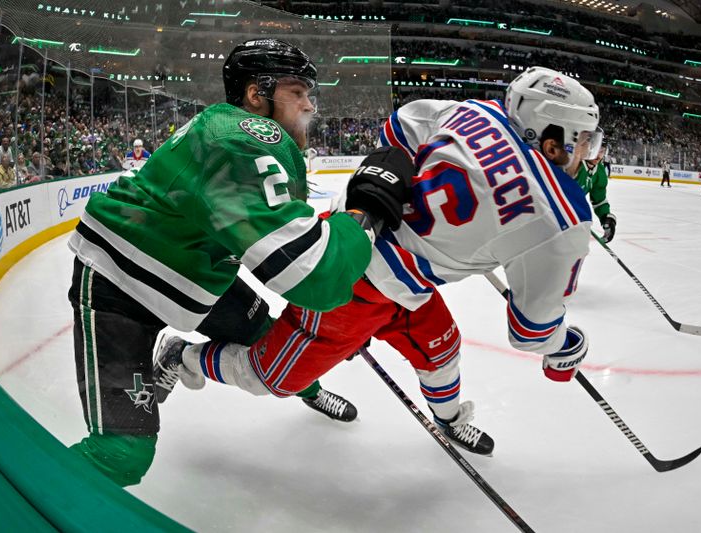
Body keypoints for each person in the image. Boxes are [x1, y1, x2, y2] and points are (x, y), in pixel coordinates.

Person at [155, 66, 599, 456]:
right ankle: (183, 356)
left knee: (442, 350)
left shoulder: (478, 113)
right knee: (270, 377)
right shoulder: (561, 219)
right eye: (583, 142)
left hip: (394, 275)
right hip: (346, 278)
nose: (588, 155)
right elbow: (531, 330)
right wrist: (565, 348)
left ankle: (449, 420)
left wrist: (447, 209)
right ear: (553, 139)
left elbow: (397, 133)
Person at [65, 38, 413, 486]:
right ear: (256, 94)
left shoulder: (237, 131)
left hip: (192, 265)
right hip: (122, 281)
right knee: (122, 454)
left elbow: (266, 243)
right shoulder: (244, 138)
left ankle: (302, 385)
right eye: (298, 92)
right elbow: (312, 275)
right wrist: (364, 212)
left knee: (275, 341)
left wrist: (313, 341)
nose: (310, 105)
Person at [575, 145, 616, 242]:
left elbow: (599, 200)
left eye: (602, 151)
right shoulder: (573, 165)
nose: (598, 155)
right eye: (596, 150)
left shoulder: (599, 172)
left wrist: (605, 217)